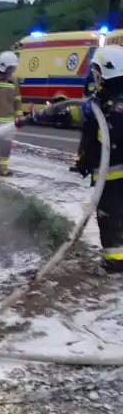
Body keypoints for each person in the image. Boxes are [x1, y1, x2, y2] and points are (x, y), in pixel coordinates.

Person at [74, 45, 123, 272]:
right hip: (111, 172)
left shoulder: (113, 106)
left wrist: (87, 158)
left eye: (97, 70)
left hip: (114, 175)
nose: (95, 75)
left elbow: (105, 136)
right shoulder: (106, 100)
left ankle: (114, 263)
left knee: (109, 217)